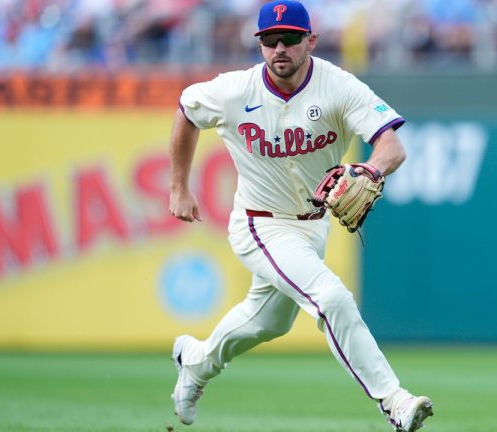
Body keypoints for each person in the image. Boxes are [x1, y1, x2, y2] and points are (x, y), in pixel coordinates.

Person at [167, 1, 433, 431]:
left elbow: (391, 146)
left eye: (289, 38)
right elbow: (186, 109)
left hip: (312, 226)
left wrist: (370, 168)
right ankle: (395, 401)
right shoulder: (235, 90)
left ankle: (196, 362)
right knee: (331, 298)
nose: (279, 49)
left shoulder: (339, 86)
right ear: (259, 45)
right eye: (269, 41)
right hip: (259, 223)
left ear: (311, 40)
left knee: (267, 322)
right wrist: (179, 186)